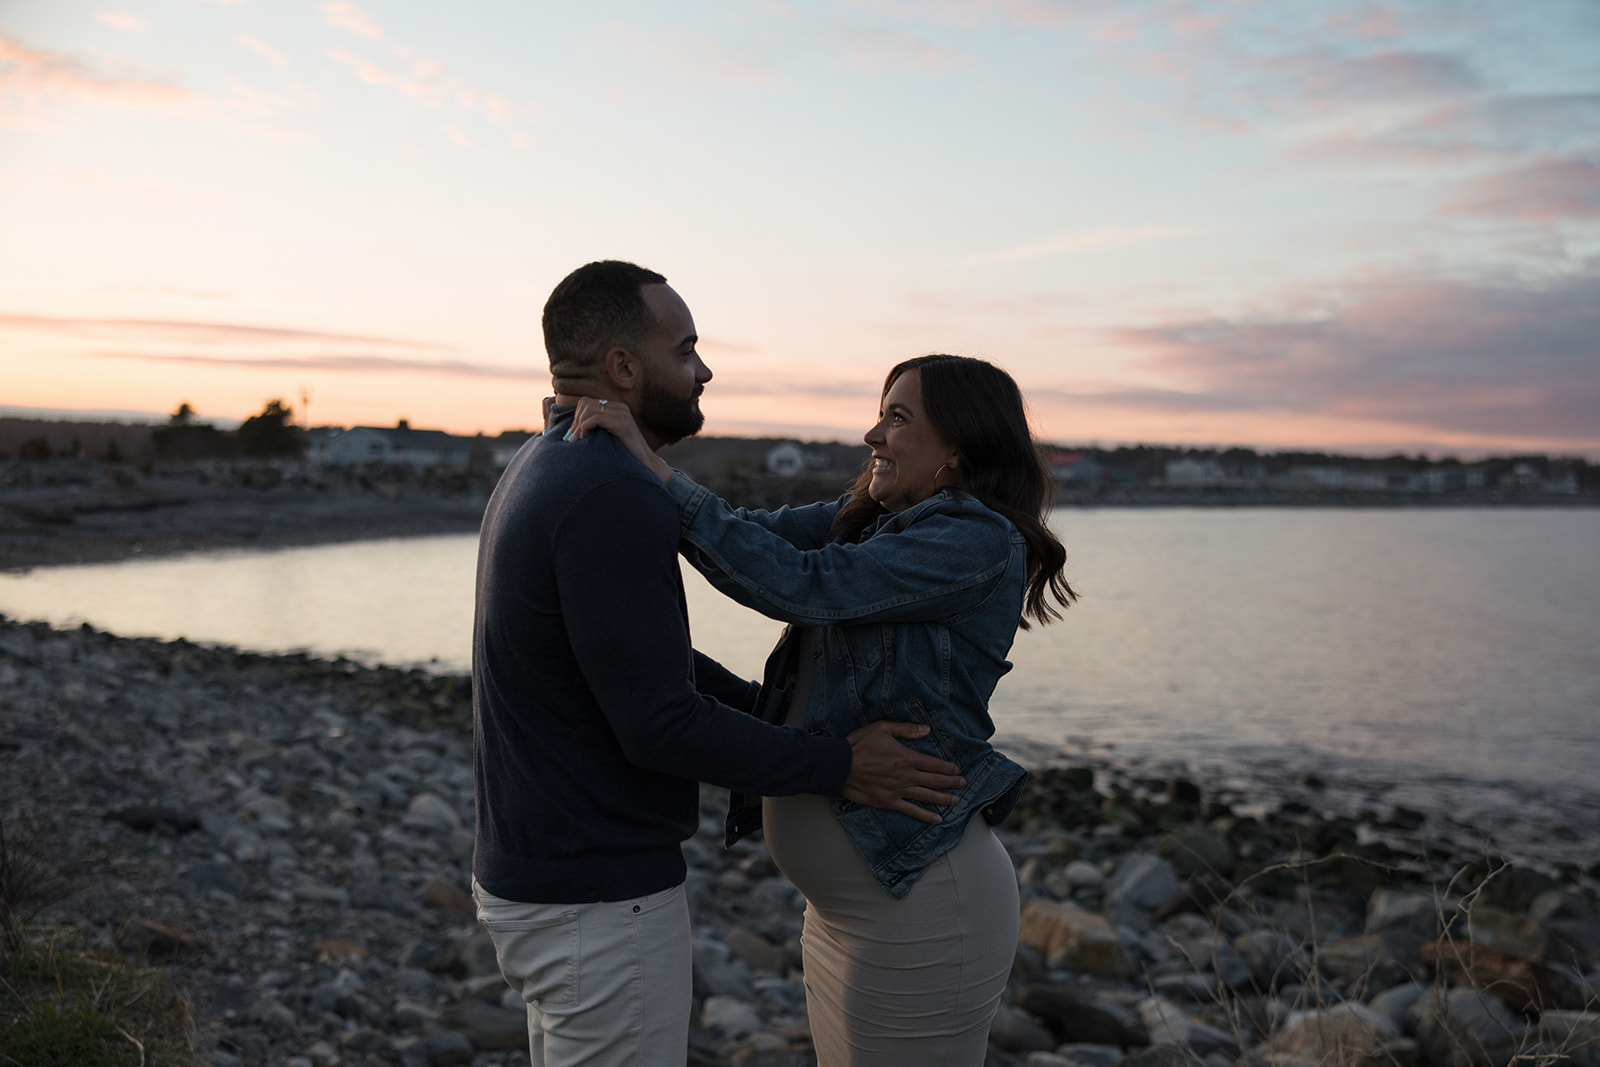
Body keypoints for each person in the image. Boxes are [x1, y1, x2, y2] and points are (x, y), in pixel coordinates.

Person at [470, 261, 966, 1067]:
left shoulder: (545, 461)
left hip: (542, 879)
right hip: (596, 903)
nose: (705, 369)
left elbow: (634, 660)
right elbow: (659, 722)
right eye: (688, 348)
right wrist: (838, 764)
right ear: (624, 367)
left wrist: (773, 712)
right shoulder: (610, 490)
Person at [571, 353, 1078, 1065]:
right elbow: (748, 534)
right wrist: (621, 472)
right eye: (880, 411)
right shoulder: (870, 521)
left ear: (959, 450)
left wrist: (654, 474)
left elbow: (799, 584)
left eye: (898, 418)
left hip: (925, 904)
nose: (872, 434)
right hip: (848, 911)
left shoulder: (972, 538)